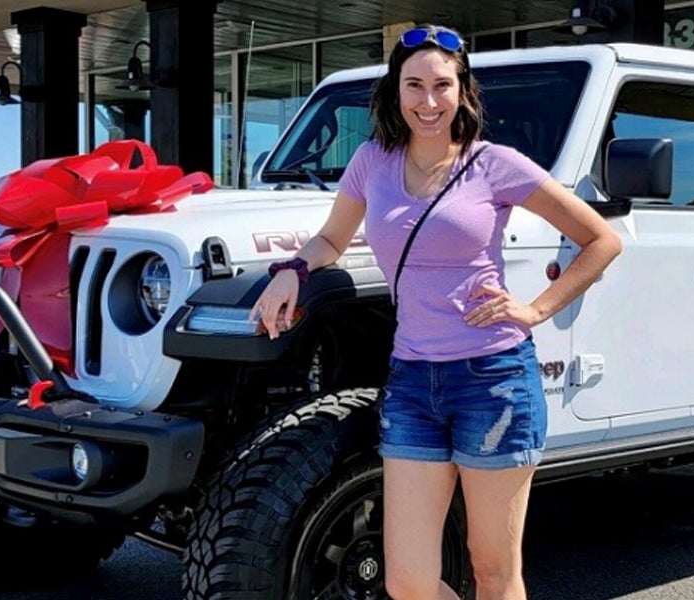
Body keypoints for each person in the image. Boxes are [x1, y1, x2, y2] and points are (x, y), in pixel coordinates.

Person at [252, 25, 620, 600]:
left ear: (462, 91)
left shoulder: (494, 164)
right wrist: (291, 273)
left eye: (441, 86)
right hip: (413, 383)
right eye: (414, 85)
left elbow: (600, 239)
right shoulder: (372, 162)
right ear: (395, 92)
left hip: (493, 381)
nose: (428, 101)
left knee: (494, 571)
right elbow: (329, 240)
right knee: (408, 581)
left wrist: (535, 309)